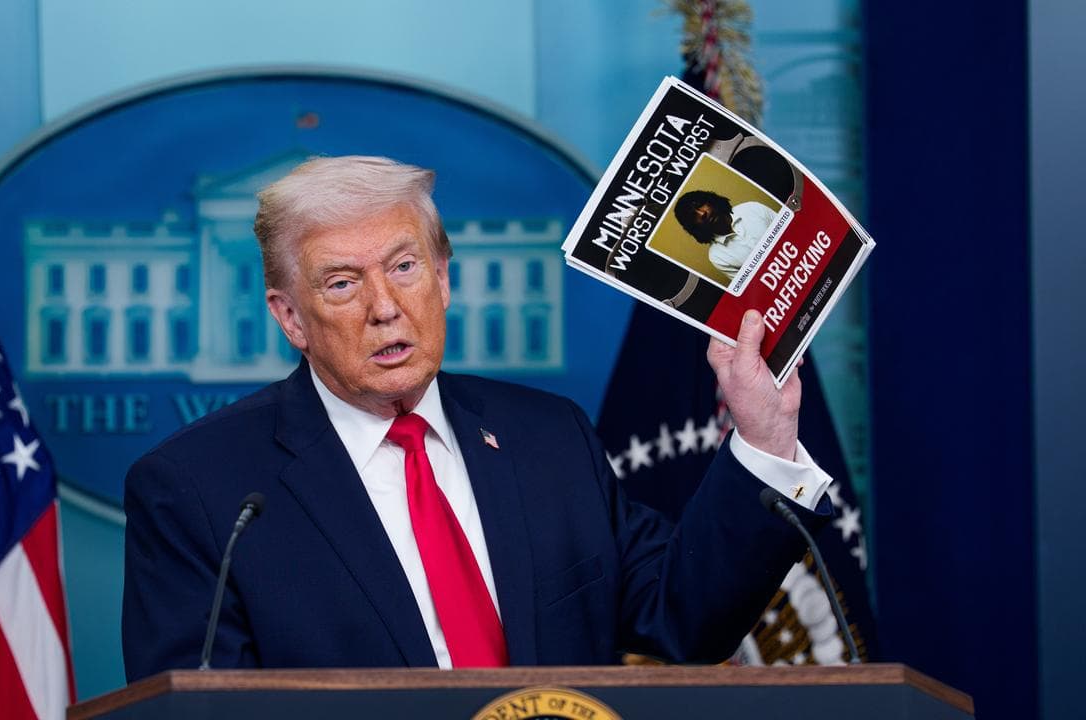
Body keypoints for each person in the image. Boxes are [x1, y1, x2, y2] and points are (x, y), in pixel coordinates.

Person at [121, 156, 831, 679]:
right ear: (290, 318)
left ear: (444, 278)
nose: (384, 307)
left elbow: (685, 620)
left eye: (404, 267)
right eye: (342, 282)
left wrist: (766, 436)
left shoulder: (549, 439)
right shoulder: (203, 491)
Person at [673, 189, 778, 280]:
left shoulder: (751, 208)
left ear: (710, 201)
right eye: (693, 215)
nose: (702, 214)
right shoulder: (717, 256)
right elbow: (751, 287)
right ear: (693, 226)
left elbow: (791, 228)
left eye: (699, 205)